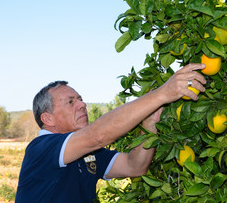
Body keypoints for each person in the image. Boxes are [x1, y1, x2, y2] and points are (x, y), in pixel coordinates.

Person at [15, 63, 206, 203]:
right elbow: (98, 135)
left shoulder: (89, 155)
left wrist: (149, 123)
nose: (83, 105)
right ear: (48, 119)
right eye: (71, 102)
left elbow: (135, 166)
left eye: (81, 100)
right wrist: (162, 93)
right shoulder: (42, 148)